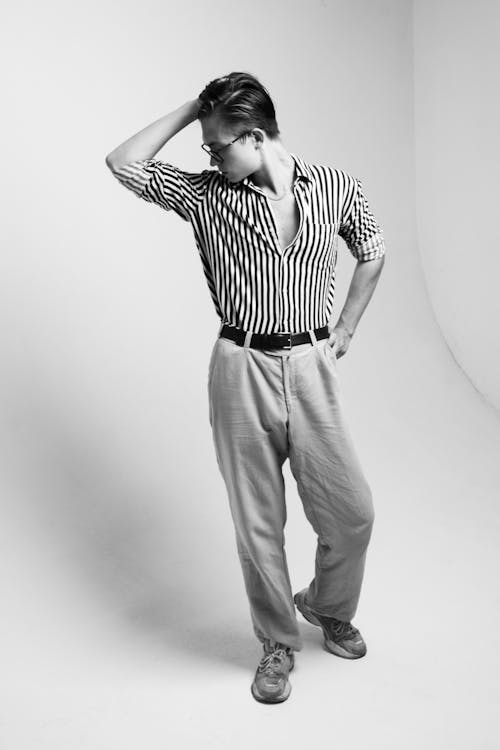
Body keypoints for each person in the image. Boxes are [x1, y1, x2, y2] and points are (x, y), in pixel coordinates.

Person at [105, 71, 386, 705]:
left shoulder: (335, 187)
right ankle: (277, 643)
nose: (208, 156)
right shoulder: (207, 195)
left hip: (312, 366)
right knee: (258, 521)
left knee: (353, 513)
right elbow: (123, 163)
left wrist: (344, 328)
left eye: (217, 145)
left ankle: (324, 604)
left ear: (254, 136)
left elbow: (372, 249)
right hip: (241, 365)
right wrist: (193, 110)